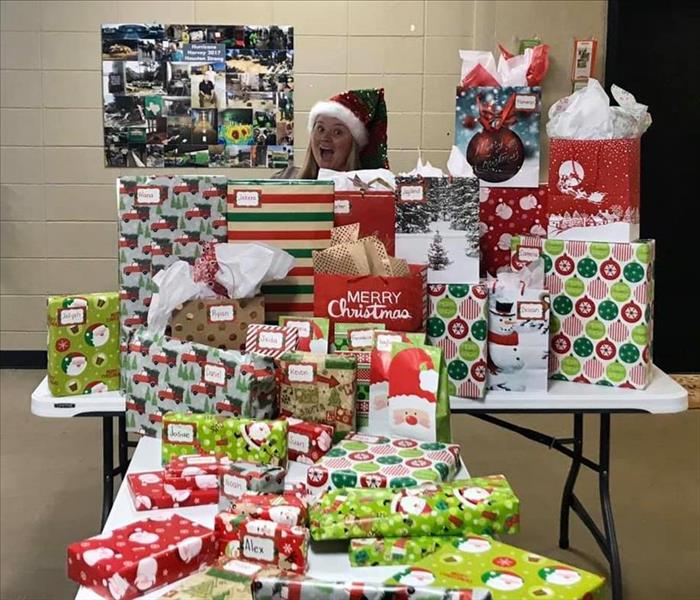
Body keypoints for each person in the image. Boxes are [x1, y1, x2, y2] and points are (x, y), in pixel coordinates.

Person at [274, 88, 388, 179]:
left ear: (353, 144)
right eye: (320, 129)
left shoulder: (366, 194)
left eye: (337, 132)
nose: (325, 138)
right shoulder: (284, 179)